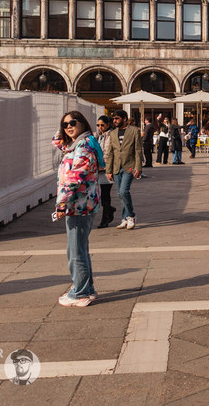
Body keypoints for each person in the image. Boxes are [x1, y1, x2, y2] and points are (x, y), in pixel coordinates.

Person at [52, 110, 100, 306]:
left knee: (75, 252)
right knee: (80, 249)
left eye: (73, 122)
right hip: (80, 204)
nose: (69, 126)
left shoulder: (83, 148)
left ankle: (79, 292)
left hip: (79, 204)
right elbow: (56, 141)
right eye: (65, 124)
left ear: (83, 123)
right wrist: (62, 129)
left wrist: (61, 203)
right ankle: (86, 289)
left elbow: (74, 178)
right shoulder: (75, 145)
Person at [105, 109, 143, 230]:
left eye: (117, 118)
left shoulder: (134, 131)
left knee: (123, 192)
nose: (114, 121)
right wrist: (108, 170)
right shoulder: (113, 133)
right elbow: (110, 153)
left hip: (129, 165)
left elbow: (138, 150)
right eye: (113, 119)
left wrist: (138, 167)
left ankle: (131, 216)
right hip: (116, 167)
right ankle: (125, 218)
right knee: (120, 194)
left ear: (124, 119)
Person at [95, 116, 115, 228]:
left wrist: (110, 168)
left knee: (105, 193)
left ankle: (105, 217)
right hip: (98, 168)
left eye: (102, 125)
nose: (100, 127)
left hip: (107, 168)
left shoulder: (111, 135)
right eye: (98, 125)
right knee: (102, 194)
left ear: (108, 124)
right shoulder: (98, 136)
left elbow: (111, 152)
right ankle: (109, 211)